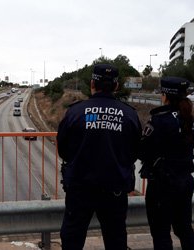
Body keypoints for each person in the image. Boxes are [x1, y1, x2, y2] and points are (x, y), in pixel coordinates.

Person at [57, 64, 142, 249]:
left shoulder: (75, 112)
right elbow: (135, 151)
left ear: (92, 83)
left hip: (80, 190)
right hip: (115, 190)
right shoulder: (129, 114)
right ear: (116, 86)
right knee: (116, 240)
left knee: (72, 240)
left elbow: (63, 149)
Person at [139, 76, 194, 249]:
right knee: (184, 229)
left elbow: (143, 150)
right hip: (185, 182)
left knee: (161, 233)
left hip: (162, 185)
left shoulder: (159, 121)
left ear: (165, 95)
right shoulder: (192, 120)